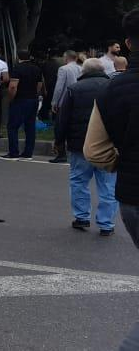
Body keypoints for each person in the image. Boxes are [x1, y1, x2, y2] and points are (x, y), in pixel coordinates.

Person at [86, 8, 139, 249]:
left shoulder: (111, 90)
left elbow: (95, 151)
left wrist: (126, 163)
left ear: (128, 43)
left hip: (132, 194)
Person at [54, 58, 116, 235]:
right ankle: (106, 224)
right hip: (107, 145)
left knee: (79, 181)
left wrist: (59, 141)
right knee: (108, 185)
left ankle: (82, 217)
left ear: (84, 71)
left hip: (79, 144)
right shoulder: (112, 88)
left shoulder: (74, 89)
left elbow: (63, 119)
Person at [3, 49, 44, 159]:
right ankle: (28, 152)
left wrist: (11, 98)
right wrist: (34, 94)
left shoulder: (17, 68)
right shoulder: (37, 69)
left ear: (18, 57)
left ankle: (13, 152)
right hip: (33, 99)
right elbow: (39, 85)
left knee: (13, 126)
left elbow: (12, 86)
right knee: (30, 126)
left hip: (20, 99)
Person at [49, 50, 82, 163]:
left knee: (60, 128)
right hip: (77, 102)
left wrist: (54, 102)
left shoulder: (63, 69)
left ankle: (61, 153)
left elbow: (59, 87)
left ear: (66, 58)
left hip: (64, 102)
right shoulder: (81, 68)